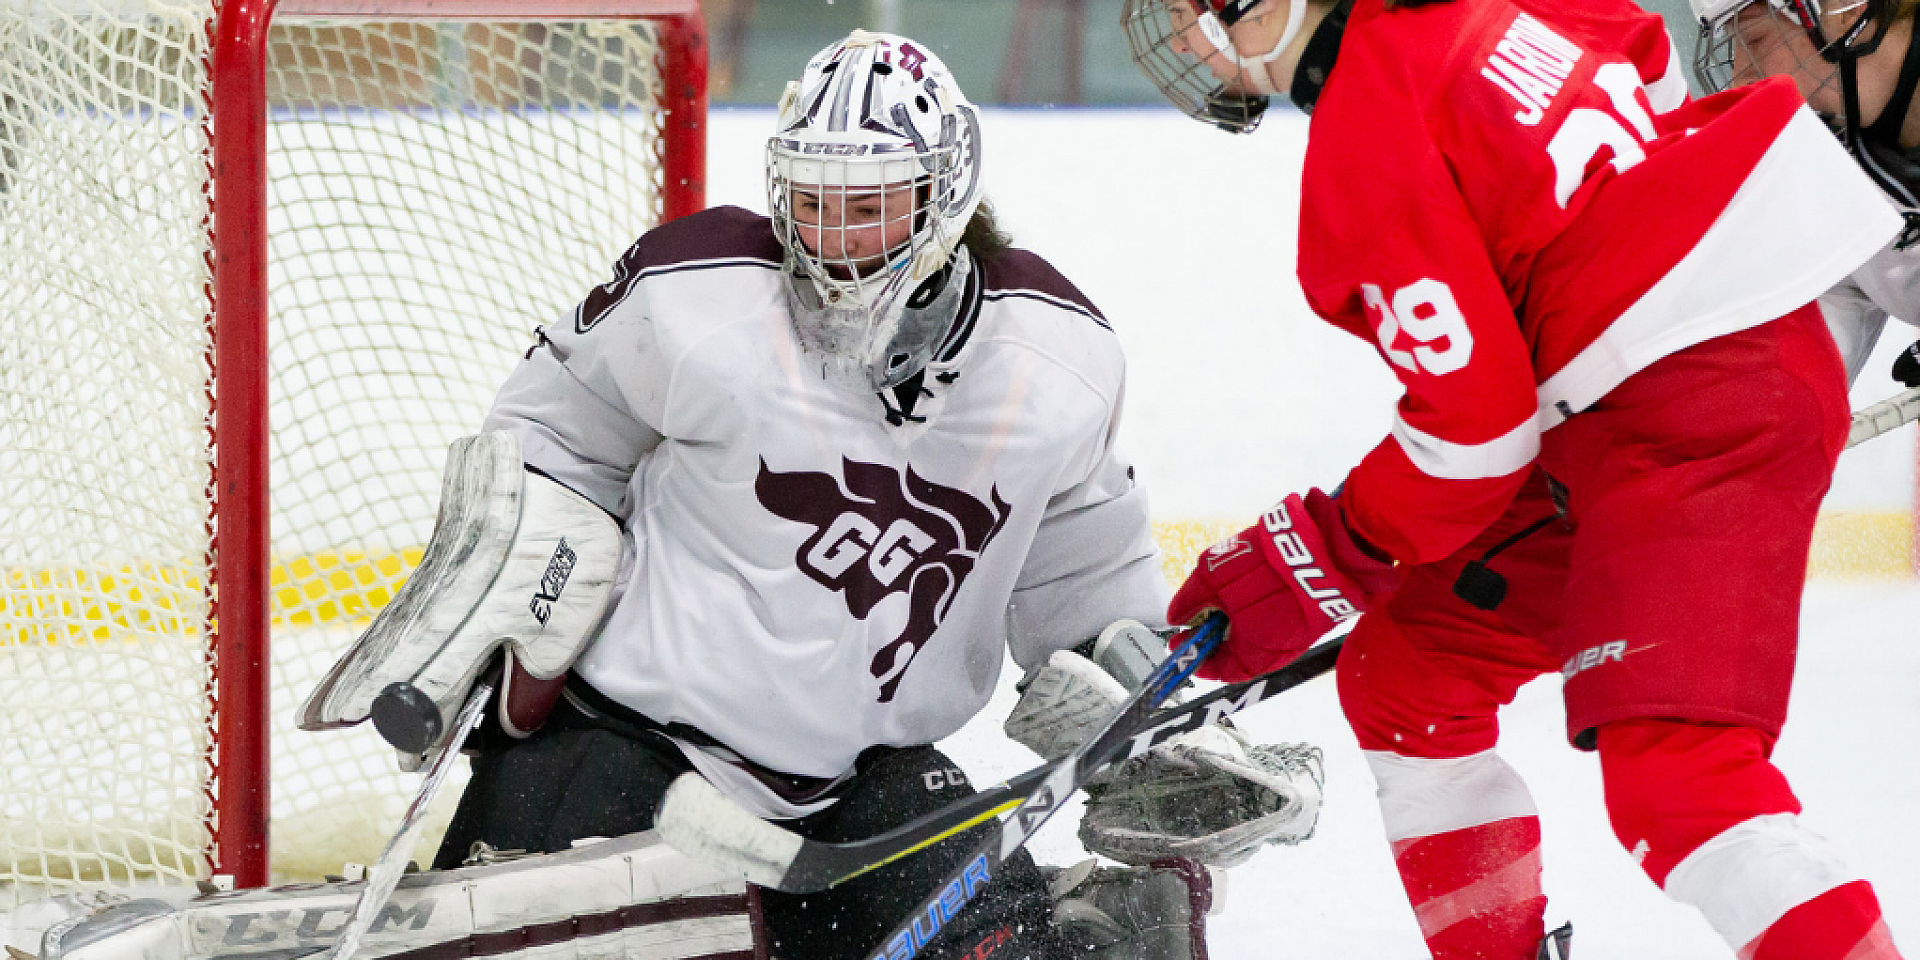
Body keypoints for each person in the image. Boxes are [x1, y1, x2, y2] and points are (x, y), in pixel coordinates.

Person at [408, 29, 1321, 960]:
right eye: (812, 203)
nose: (835, 242)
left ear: (944, 198)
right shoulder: (699, 292)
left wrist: (1144, 728)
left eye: (870, 207)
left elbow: (1088, 598)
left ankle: (1089, 924)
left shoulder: (1056, 366)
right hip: (633, 749)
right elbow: (551, 435)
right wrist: (518, 576)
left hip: (866, 798)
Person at [1118, 0, 1910, 958]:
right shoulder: (1487, 6)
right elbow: (1646, 56)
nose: (1190, 40)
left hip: (1691, 415)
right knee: (1410, 677)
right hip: (1637, 407)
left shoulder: (1367, 136)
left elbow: (1478, 436)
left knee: (1683, 785)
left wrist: (1318, 554)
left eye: (1199, 12)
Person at [1690, 0, 1920, 390]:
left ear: (1846, 11)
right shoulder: (1833, 183)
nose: (1741, 81)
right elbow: (1787, 382)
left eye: (1754, 40)